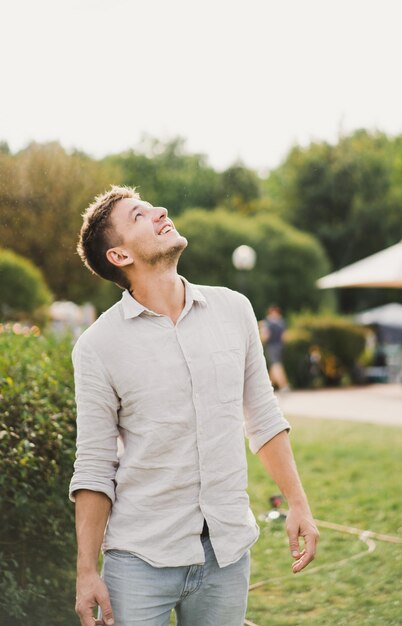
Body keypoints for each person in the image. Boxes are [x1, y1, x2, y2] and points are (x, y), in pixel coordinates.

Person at [69, 185, 319, 626]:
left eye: (151, 207)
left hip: (226, 555)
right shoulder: (97, 347)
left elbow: (262, 418)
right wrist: (87, 570)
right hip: (139, 560)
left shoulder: (234, 310)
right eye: (139, 215)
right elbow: (94, 465)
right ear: (120, 256)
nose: (159, 211)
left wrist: (298, 503)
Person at [260, 305, 290, 391]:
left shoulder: (267, 323)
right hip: (279, 346)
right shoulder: (282, 322)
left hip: (271, 346)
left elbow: (265, 336)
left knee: (276, 365)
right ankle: (268, 387)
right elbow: (285, 337)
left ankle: (283, 385)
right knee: (274, 366)